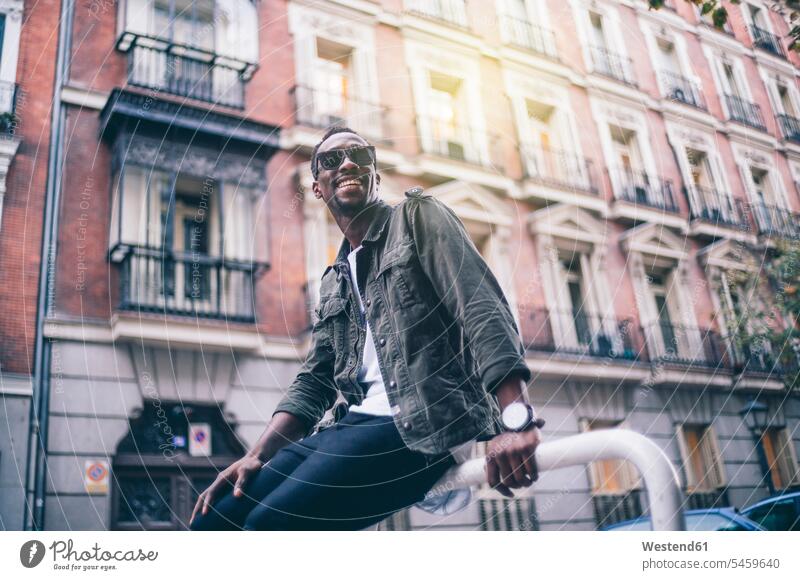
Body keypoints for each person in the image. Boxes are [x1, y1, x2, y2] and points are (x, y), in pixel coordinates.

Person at [189, 126, 543, 531]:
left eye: (359, 155)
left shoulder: (419, 218)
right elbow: (315, 380)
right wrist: (256, 455)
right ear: (318, 187)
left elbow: (481, 306)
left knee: (268, 526)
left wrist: (516, 420)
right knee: (214, 522)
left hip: (421, 427)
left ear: (376, 175)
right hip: (353, 424)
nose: (347, 164)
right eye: (331, 160)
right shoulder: (335, 278)